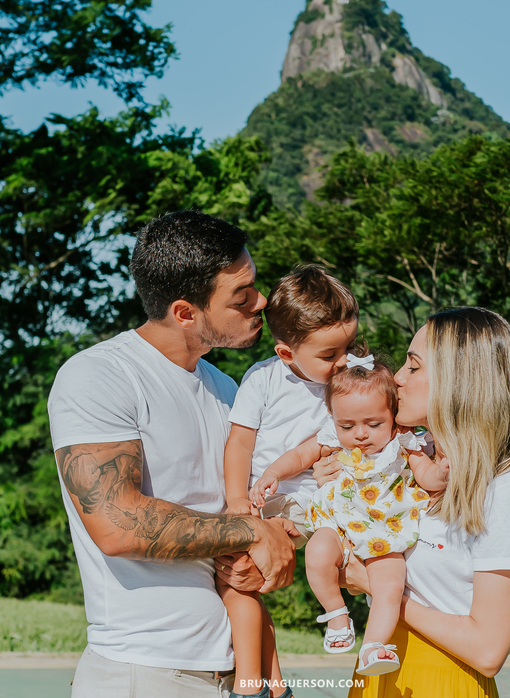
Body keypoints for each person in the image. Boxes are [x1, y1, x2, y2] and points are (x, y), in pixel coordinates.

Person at [47, 210, 298, 698]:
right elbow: (117, 524)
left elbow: (268, 505)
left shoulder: (229, 390)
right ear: (185, 312)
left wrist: (276, 543)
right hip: (147, 672)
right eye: (241, 297)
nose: (261, 302)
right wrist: (250, 531)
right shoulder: (100, 376)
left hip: (241, 670)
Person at [339, 307, 510, 698]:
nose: (396, 379)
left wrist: (381, 590)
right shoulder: (406, 466)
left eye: (413, 367)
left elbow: (488, 650)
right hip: (378, 676)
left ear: (460, 383)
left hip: (441, 682)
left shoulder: (500, 490)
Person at [252, 354, 447, 676]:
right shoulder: (331, 438)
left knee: (388, 585)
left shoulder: (403, 440)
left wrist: (441, 475)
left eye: (373, 424)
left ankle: (375, 645)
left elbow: (424, 474)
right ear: (333, 416)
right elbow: (301, 455)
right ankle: (336, 615)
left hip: (386, 528)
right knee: (316, 553)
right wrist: (272, 473)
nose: (360, 434)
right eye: (347, 425)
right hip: (338, 524)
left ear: (392, 416)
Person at [220, 264, 359, 698]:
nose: (343, 362)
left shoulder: (347, 382)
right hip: (266, 500)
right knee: (241, 579)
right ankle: (274, 685)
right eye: (329, 355)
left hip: (313, 504)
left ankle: (250, 685)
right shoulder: (263, 380)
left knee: (236, 574)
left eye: (349, 347)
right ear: (286, 354)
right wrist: (236, 499)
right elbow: (240, 445)